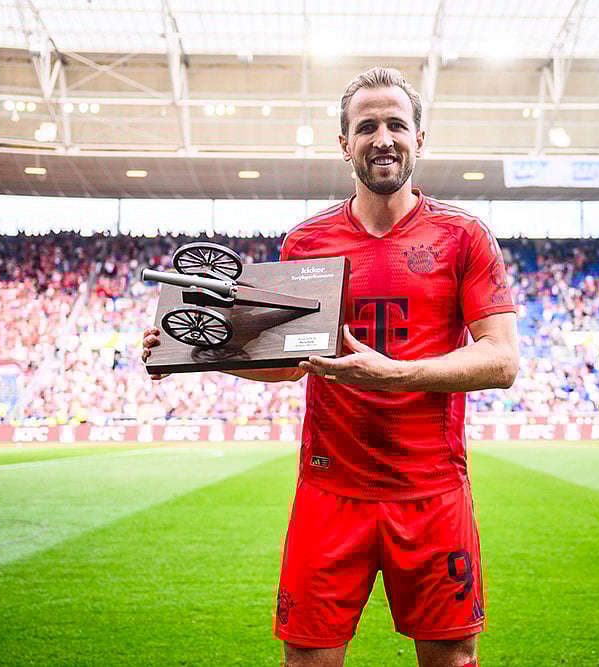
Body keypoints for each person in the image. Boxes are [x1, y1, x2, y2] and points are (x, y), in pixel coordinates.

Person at [142, 67, 519, 667]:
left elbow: (501, 361)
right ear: (345, 143)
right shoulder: (306, 242)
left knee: (451, 658)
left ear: (420, 137)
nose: (383, 138)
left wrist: (395, 375)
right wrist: (199, 353)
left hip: (431, 490)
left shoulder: (465, 236)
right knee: (309, 659)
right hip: (330, 489)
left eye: (396, 124)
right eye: (366, 126)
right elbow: (292, 364)